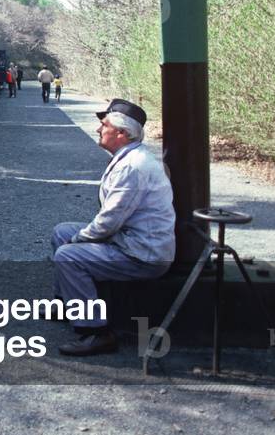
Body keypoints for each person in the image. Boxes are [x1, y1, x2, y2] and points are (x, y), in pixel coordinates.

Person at [50, 99, 174, 356]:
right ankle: (68, 303)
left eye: (103, 125)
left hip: (142, 255)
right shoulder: (131, 157)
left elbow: (109, 221)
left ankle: (97, 332)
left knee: (68, 255)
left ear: (121, 133)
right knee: (61, 231)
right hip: (132, 241)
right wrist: (77, 236)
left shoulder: (132, 167)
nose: (98, 129)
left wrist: (79, 238)